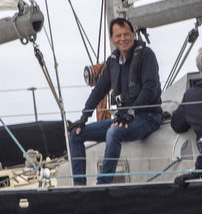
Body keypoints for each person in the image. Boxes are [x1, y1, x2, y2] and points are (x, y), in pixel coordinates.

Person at [68, 18, 163, 185]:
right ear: (112, 39)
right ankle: (79, 188)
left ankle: (102, 185)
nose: (123, 39)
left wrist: (132, 112)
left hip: (148, 117)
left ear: (133, 34)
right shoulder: (112, 62)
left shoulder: (146, 56)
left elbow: (150, 88)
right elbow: (98, 91)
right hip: (123, 118)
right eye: (118, 36)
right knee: (76, 135)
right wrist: (83, 118)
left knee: (113, 132)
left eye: (126, 34)